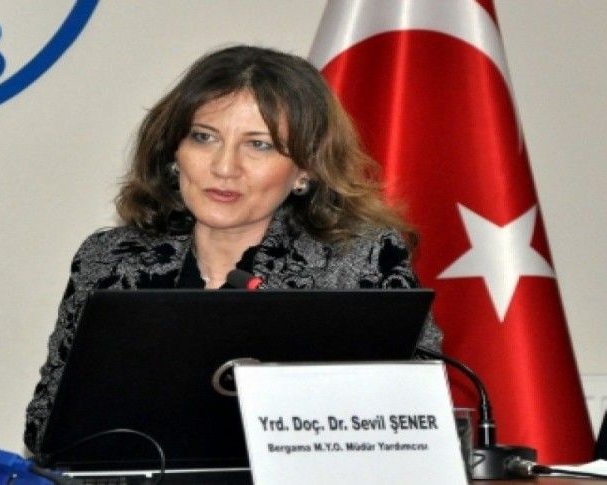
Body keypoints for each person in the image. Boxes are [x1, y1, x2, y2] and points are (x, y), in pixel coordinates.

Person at [23, 45, 442, 453]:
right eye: (204, 138)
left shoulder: (358, 261)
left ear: (306, 168)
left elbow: (412, 426)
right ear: (174, 152)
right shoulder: (111, 259)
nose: (224, 167)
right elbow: (46, 430)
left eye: (259, 145)